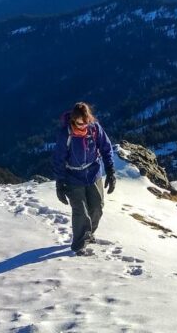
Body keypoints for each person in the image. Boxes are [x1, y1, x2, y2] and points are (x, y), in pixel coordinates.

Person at [52, 102, 117, 254]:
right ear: (73, 120)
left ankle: (89, 233)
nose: (83, 126)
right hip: (73, 177)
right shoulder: (65, 134)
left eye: (86, 122)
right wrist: (60, 183)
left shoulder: (94, 129)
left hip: (94, 173)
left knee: (97, 208)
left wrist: (111, 171)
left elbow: (106, 148)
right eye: (80, 123)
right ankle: (79, 245)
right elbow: (58, 159)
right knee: (81, 212)